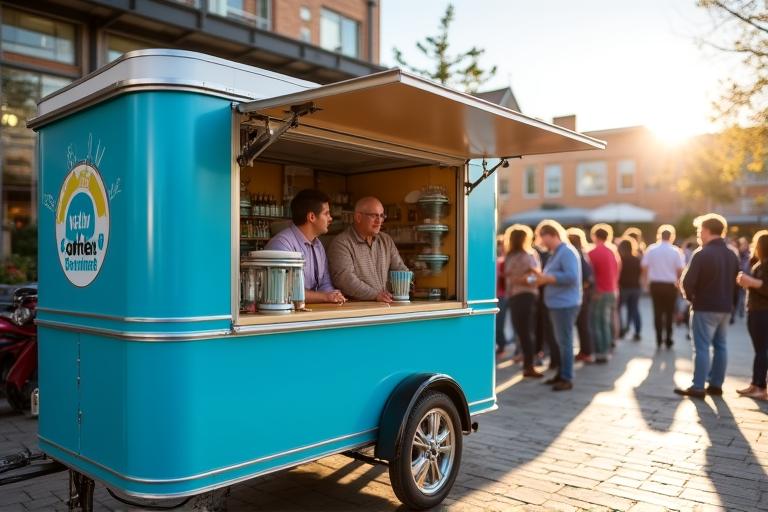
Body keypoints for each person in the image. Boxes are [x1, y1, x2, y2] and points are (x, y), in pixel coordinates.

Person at [676, 213, 740, 398]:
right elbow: (736, 285)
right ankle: (716, 385)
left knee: (702, 347)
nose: (698, 233)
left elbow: (687, 282)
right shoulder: (732, 254)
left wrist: (691, 299)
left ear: (706, 230)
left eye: (699, 230)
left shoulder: (702, 253)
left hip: (704, 306)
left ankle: (698, 387)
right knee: (721, 345)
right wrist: (733, 306)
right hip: (725, 307)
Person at [265, 189, 347, 304]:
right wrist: (325, 296)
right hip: (285, 317)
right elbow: (285, 291)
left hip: (310, 314)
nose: (330, 218)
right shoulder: (282, 244)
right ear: (311, 217)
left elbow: (325, 283)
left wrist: (334, 295)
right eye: (326, 213)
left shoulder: (318, 245)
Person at [531, 220, 581, 391]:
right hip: (558, 304)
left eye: (543, 238)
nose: (541, 243)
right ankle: (561, 374)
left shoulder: (566, 252)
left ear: (552, 235)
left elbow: (571, 277)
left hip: (564, 304)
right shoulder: (557, 252)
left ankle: (567, 378)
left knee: (565, 342)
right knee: (561, 342)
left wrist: (548, 278)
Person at [328, 196, 408, 302]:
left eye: (381, 215)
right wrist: (375, 295)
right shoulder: (341, 243)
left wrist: (408, 282)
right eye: (374, 215)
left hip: (386, 306)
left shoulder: (386, 240)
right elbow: (345, 280)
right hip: (357, 312)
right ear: (358, 217)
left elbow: (400, 269)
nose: (379, 220)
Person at [503, 224, 543, 377]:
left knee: (525, 332)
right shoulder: (523, 255)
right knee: (523, 332)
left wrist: (522, 279)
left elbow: (536, 278)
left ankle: (529, 365)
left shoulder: (521, 255)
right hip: (518, 296)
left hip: (524, 295)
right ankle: (528, 364)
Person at [736, 230, 768, 400]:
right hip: (756, 310)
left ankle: (761, 387)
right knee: (759, 350)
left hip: (762, 311)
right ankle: (756, 383)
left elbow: (765, 287)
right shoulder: (761, 263)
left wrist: (750, 281)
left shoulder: (766, 264)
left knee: (762, 350)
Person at [641, 224, 685, 348]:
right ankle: (669, 338)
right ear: (671, 237)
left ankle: (659, 338)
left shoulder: (651, 249)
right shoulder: (676, 251)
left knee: (657, 312)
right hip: (670, 285)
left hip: (655, 284)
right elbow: (680, 270)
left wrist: (645, 282)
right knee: (669, 313)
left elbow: (644, 266)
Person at [588, 223, 619, 363]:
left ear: (594, 236)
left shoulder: (593, 253)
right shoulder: (612, 251)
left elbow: (590, 275)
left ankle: (601, 351)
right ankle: (607, 349)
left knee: (597, 322)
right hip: (612, 290)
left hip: (600, 291)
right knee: (606, 322)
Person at [567, 227, 594, 362]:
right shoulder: (582, 253)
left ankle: (586, 352)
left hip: (581, 295)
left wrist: (579, 289)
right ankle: (585, 351)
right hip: (583, 294)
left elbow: (588, 277)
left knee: (582, 324)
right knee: (583, 324)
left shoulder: (576, 254)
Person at [618, 238, 642, 341]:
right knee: (634, 309)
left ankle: (621, 329)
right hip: (636, 287)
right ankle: (637, 331)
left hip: (623, 288)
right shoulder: (637, 259)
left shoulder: (621, 259)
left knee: (618, 309)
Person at [496, 236, 509, 355]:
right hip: (496, 295)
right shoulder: (497, 260)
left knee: (500, 322)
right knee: (497, 322)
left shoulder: (504, 261)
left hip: (502, 295)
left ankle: (502, 346)